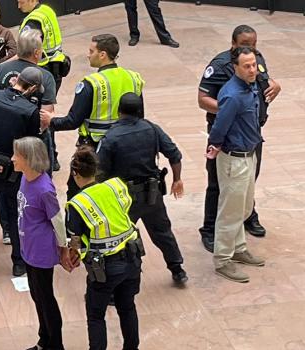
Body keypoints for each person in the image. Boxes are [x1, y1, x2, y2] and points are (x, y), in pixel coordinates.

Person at [198, 25, 282, 252]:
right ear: (233, 44)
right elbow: (202, 99)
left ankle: (247, 215)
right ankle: (209, 229)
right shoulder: (219, 65)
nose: (251, 50)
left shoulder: (255, 59)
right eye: (245, 45)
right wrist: (229, 110)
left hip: (253, 132)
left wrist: (275, 85)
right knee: (218, 182)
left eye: (254, 45)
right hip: (227, 134)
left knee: (249, 178)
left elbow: (264, 83)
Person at [97, 92, 187, 284]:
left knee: (120, 238)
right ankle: (177, 268)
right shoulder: (152, 129)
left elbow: (100, 172)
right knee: (162, 232)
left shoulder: (111, 137)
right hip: (151, 195)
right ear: (139, 110)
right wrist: (177, 179)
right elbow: (174, 154)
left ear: (118, 111)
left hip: (123, 199)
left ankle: (123, 279)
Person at [41, 34, 145, 199]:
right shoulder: (134, 78)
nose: (88, 55)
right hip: (125, 147)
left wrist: (51, 120)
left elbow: (73, 120)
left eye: (91, 51)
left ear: (102, 54)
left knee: (77, 194)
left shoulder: (91, 83)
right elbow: (140, 117)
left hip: (93, 150)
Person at [66, 146, 143, 350]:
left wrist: (71, 255)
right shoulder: (115, 186)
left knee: (96, 316)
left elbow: (75, 239)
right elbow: (125, 208)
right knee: (127, 307)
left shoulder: (78, 203)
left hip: (105, 269)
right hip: (133, 259)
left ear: (75, 173)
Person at [0, 67, 44, 279]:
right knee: (15, 214)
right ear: (31, 88)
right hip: (14, 169)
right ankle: (19, 263)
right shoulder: (29, 110)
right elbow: (31, 143)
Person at [0, 28, 58, 244]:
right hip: (34, 143)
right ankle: (31, 226)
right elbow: (46, 117)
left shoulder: (1, 70)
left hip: (3, 141)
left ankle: (8, 230)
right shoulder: (44, 76)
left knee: (4, 187)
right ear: (37, 53)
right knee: (36, 184)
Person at [206, 46, 265, 283]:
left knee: (243, 207)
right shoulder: (232, 95)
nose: (253, 70)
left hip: (249, 155)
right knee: (230, 211)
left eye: (254, 65)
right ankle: (222, 260)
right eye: (247, 66)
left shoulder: (250, 86)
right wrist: (215, 145)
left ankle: (239, 247)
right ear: (235, 68)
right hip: (234, 159)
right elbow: (219, 126)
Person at [12, 137, 71, 350]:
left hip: (41, 251)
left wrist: (63, 249)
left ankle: (55, 344)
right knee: (37, 295)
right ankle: (44, 340)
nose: (12, 159)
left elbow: (57, 220)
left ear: (28, 159)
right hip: (28, 246)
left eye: (16, 156)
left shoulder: (44, 189)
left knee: (46, 298)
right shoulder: (26, 178)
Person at [17, 0, 70, 92]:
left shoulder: (33, 21)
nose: (18, 6)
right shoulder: (46, 10)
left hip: (42, 71)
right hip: (57, 66)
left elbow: (25, 51)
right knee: (49, 102)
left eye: (21, 2)